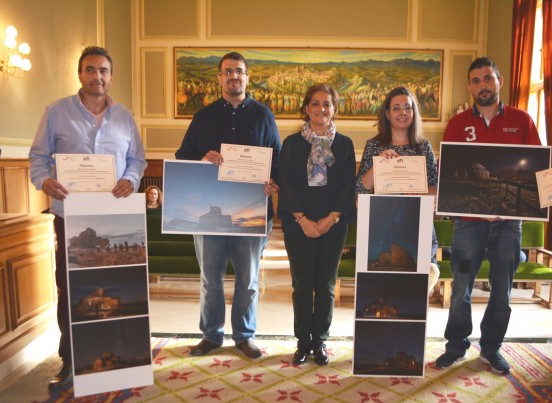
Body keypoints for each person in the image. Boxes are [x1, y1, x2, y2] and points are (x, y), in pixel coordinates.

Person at [434, 57, 552, 375]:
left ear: (500, 81)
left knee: (502, 291)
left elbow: (539, 169)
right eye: (476, 80)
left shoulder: (522, 121)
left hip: (509, 227)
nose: (482, 85)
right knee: (461, 289)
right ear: (470, 86)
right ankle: (455, 346)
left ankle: (492, 348)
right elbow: (445, 170)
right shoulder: (456, 125)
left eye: (487, 78)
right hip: (468, 226)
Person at [29, 46, 147, 390]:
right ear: (80, 74)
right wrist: (45, 181)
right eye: (91, 70)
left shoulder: (125, 116)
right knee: (70, 290)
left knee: (117, 289)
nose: (98, 77)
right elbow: (38, 157)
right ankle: (71, 361)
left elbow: (137, 159)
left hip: (114, 215)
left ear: (111, 76)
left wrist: (130, 180)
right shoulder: (56, 112)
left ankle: (119, 357)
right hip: (71, 215)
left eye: (104, 71)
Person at [175, 51, 281, 359]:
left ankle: (244, 336)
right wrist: (201, 157)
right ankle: (211, 335)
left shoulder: (264, 116)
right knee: (211, 279)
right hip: (209, 213)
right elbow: (183, 156)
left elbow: (278, 159)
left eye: (239, 71)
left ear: (248, 77)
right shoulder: (203, 117)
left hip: (252, 211)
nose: (234, 76)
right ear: (219, 78)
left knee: (248, 280)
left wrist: (274, 182)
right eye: (227, 72)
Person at [278, 84, 356, 365]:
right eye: (315, 103)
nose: (321, 109)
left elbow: (349, 185)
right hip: (298, 224)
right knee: (301, 285)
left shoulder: (345, 144)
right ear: (306, 107)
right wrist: (302, 220)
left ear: (334, 108)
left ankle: (320, 340)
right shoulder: (291, 144)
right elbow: (285, 183)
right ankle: (302, 341)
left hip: (333, 224)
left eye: (327, 104)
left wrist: (329, 219)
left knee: (325, 285)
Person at [355, 86, 440, 295]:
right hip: (383, 223)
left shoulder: (424, 147)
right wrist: (379, 165)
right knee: (383, 289)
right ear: (387, 113)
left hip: (417, 222)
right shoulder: (374, 145)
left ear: (414, 112)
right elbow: (360, 191)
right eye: (396, 108)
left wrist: (421, 190)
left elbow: (435, 189)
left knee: (414, 292)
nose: (403, 112)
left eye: (407, 107)